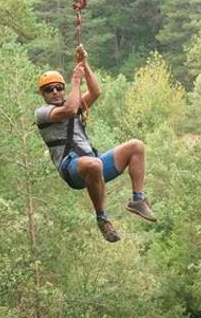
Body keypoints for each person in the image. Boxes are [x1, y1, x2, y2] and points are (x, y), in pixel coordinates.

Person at [35, 45, 156, 243]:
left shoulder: (74, 104)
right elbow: (70, 109)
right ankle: (102, 218)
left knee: (136, 146)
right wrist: (75, 80)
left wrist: (84, 64)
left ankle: (137, 199)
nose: (55, 92)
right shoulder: (43, 113)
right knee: (94, 164)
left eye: (59, 87)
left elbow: (96, 91)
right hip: (72, 168)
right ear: (43, 94)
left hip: (94, 164)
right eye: (50, 90)